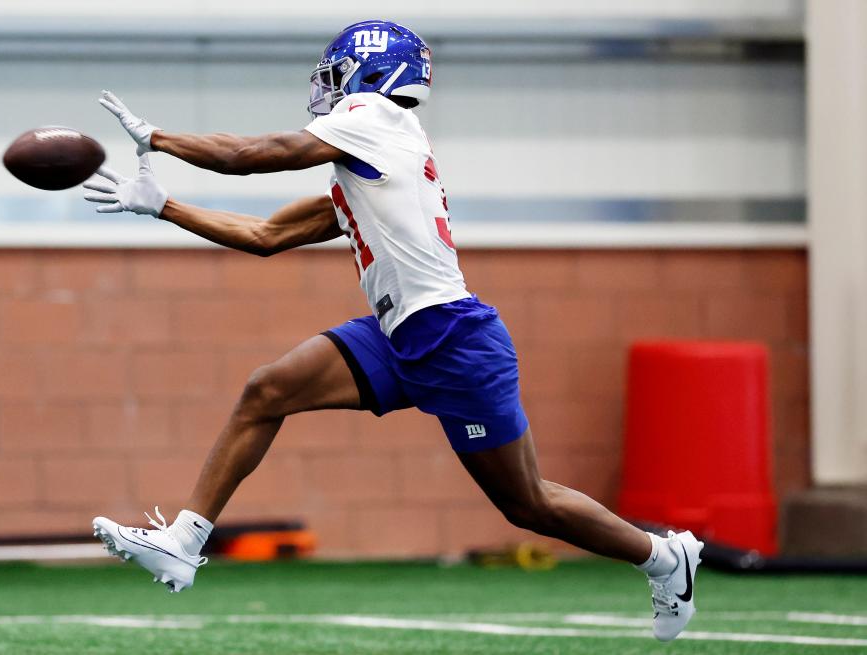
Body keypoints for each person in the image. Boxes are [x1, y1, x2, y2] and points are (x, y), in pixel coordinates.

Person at [84, 20, 702, 642]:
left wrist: (159, 137)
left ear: (372, 74)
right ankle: (183, 542)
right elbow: (265, 237)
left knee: (527, 504)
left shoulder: (374, 116)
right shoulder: (372, 158)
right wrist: (162, 206)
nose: (328, 90)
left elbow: (252, 157)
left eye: (337, 75)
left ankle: (662, 557)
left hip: (454, 341)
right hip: (397, 335)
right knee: (268, 390)